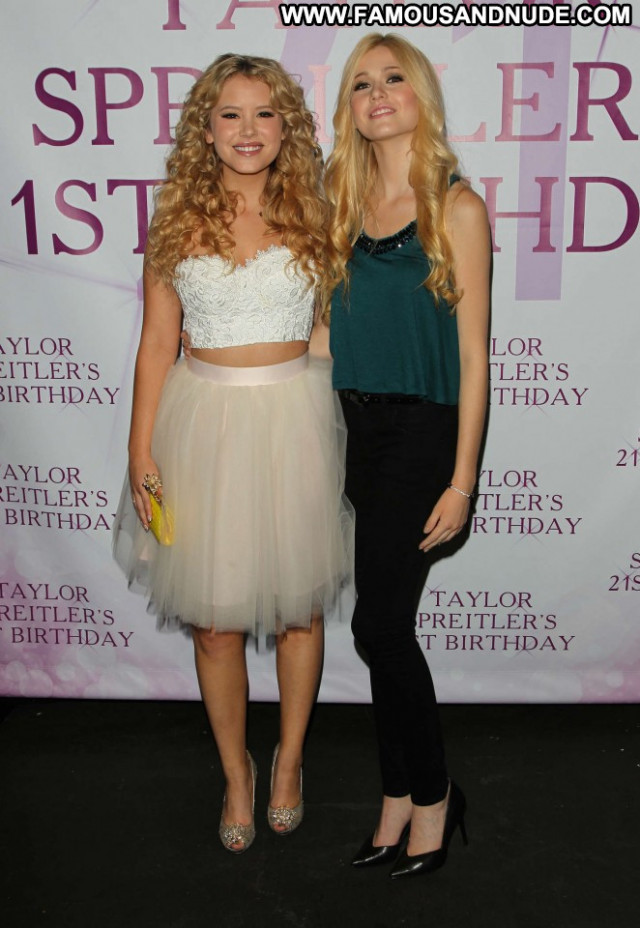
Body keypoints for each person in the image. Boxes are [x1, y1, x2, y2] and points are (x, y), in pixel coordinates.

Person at [113, 54, 353, 854]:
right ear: (205, 129)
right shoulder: (175, 217)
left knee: (298, 610)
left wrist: (329, 396)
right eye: (230, 114)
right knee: (214, 623)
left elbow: (334, 325)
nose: (248, 130)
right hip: (201, 426)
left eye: (264, 113)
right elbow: (156, 343)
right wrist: (140, 449)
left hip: (294, 422)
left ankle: (288, 762)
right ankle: (236, 773)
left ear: (287, 126)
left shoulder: (319, 210)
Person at [324, 33, 490, 879]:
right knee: (380, 628)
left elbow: (475, 357)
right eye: (361, 84)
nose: (377, 94)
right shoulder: (338, 200)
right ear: (348, 108)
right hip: (348, 431)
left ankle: (433, 797)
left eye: (393, 78)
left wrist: (462, 481)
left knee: (379, 627)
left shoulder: (457, 207)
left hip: (422, 434)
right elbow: (325, 331)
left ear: (421, 93)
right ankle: (396, 799)